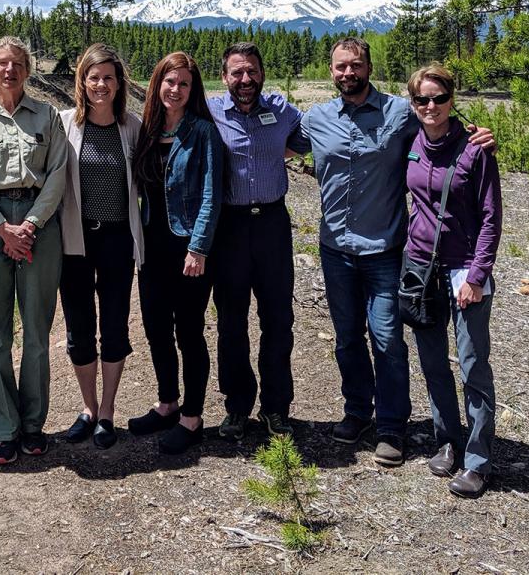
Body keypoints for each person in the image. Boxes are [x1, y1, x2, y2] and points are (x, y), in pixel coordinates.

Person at [297, 37, 494, 468]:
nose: (348, 73)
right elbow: (277, 138)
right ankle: (356, 412)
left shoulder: (400, 113)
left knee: (387, 339)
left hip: (387, 251)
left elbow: (442, 124)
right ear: (331, 71)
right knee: (348, 339)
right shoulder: (316, 119)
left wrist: (480, 137)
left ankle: (391, 426)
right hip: (335, 250)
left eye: (355, 65)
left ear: (368, 67)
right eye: (340, 67)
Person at [0, 36, 67, 466]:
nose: (10, 70)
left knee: (38, 333)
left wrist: (31, 225)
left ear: (28, 69)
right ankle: (3, 428)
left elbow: (57, 173)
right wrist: (3, 228)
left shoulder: (48, 116)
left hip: (39, 224)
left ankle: (34, 424)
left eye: (18, 63)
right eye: (2, 63)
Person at [404, 63, 501, 498]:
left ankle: (478, 460)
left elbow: (490, 217)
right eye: (422, 99)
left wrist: (477, 276)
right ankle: (448, 439)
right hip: (421, 267)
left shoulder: (475, 150)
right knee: (432, 362)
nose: (431, 106)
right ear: (413, 103)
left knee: (472, 364)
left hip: (464, 269)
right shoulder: (411, 142)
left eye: (439, 98)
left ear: (451, 100)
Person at [207, 42, 307, 441]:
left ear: (262, 74)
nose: (245, 80)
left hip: (272, 224)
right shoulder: (211, 112)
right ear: (225, 77)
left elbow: (318, 136)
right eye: (237, 73)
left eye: (251, 72)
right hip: (229, 228)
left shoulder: (283, 110)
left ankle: (276, 407)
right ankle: (236, 406)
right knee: (231, 321)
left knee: (278, 320)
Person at [127, 52, 225, 454]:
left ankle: (192, 416)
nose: (176, 89)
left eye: (184, 84)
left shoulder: (203, 132)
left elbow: (210, 194)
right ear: (158, 84)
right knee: (155, 329)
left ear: (193, 89)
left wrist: (199, 247)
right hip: (151, 246)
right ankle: (167, 402)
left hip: (188, 249)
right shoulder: (146, 130)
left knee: (188, 331)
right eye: (170, 82)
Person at [57, 44, 144, 450]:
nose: (101, 84)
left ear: (118, 82)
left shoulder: (133, 127)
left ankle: (108, 411)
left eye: (108, 77)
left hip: (116, 240)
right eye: (94, 77)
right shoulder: (64, 126)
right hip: (75, 239)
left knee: (114, 324)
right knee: (78, 328)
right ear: (82, 81)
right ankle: (88, 407)